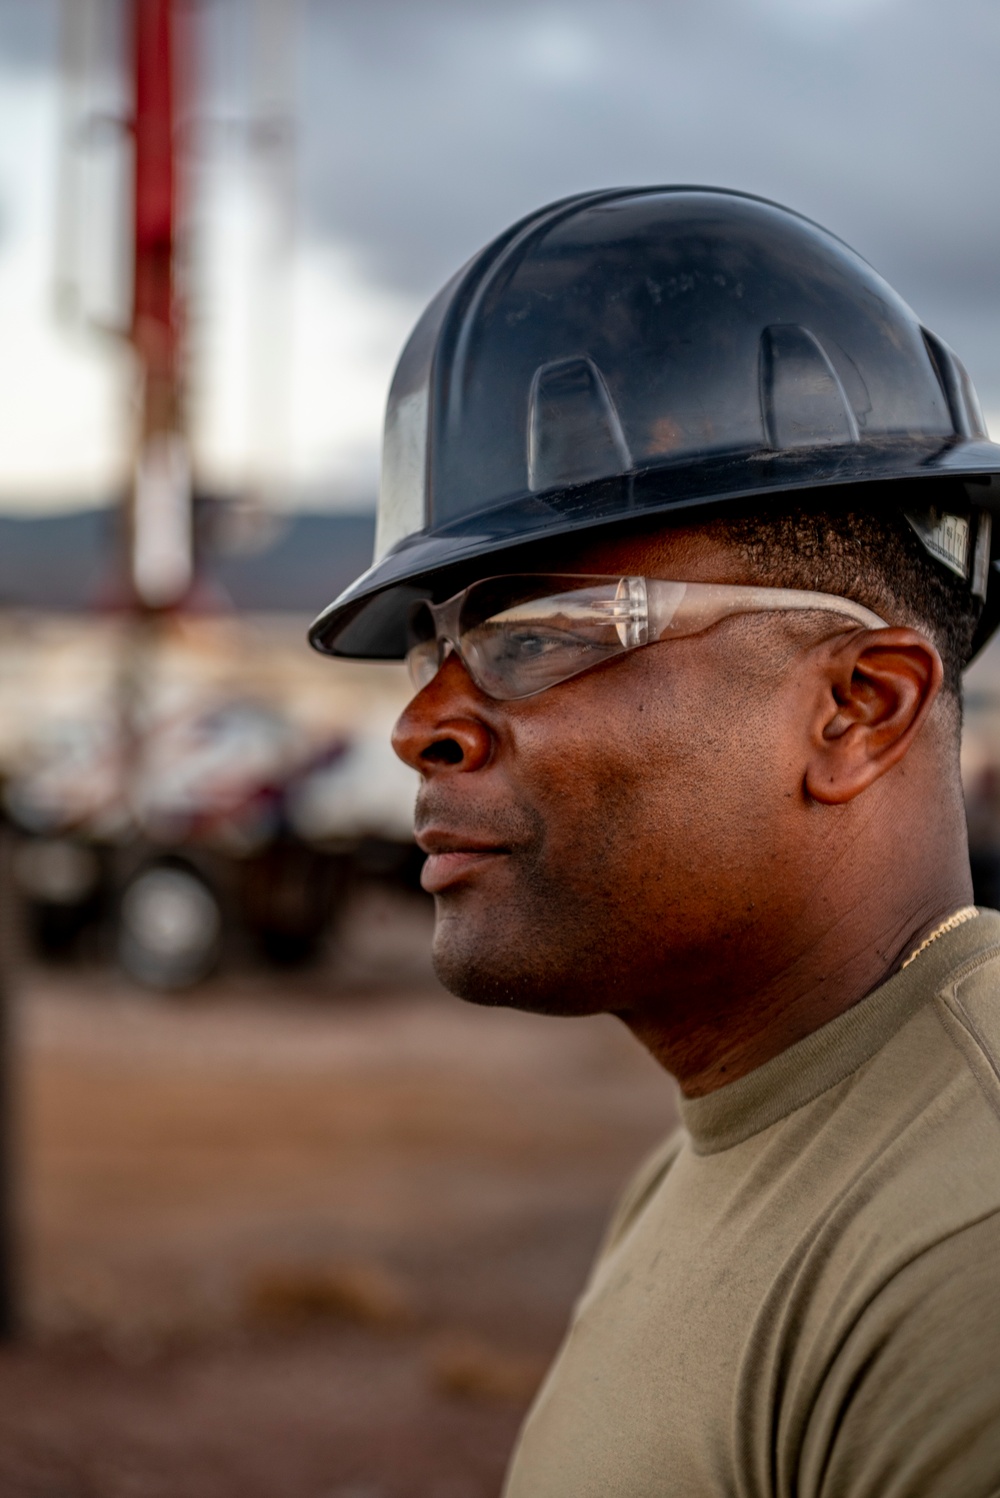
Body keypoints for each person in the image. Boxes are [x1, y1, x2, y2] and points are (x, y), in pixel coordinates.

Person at [311, 189, 1000, 1496]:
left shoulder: (970, 1254)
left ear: (860, 706)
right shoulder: (717, 1151)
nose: (422, 725)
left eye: (538, 632)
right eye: (430, 647)